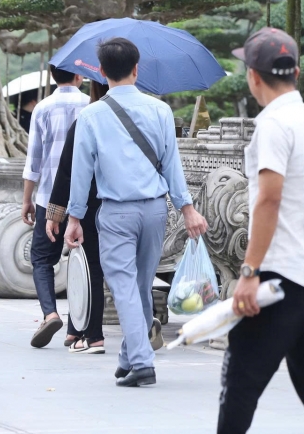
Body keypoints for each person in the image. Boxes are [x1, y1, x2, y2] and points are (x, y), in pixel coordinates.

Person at [219, 27, 304, 434]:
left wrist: (248, 271)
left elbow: (269, 198)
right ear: (295, 72)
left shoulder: (273, 124)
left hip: (277, 276)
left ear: (254, 76)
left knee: (239, 384)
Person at [64, 38, 207, 387]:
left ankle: (142, 361)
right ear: (137, 68)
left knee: (125, 287)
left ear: (100, 72)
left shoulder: (91, 116)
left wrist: (74, 217)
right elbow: (172, 165)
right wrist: (187, 209)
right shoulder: (160, 111)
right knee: (140, 286)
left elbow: (81, 172)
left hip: (117, 213)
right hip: (156, 210)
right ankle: (130, 356)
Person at [22, 65, 89, 348]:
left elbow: (34, 159)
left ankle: (50, 313)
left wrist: (27, 198)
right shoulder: (92, 105)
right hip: (85, 197)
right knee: (84, 259)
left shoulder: (43, 107)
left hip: (49, 198)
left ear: (52, 76)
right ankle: (76, 326)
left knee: (41, 258)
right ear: (79, 76)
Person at [46, 80, 109, 353]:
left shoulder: (88, 118)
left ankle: (93, 335)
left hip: (92, 203)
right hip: (137, 204)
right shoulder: (152, 115)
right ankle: (76, 327)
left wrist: (57, 214)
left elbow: (68, 170)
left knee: (90, 267)